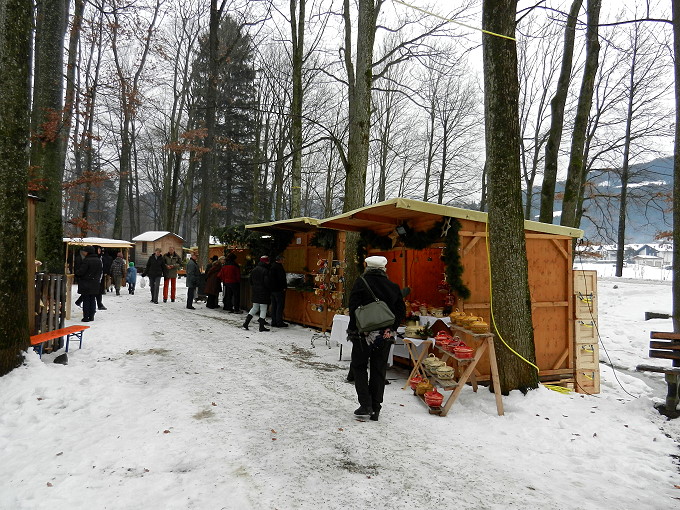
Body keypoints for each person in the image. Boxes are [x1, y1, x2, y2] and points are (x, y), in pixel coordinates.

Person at [347, 255, 405, 422]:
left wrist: (354, 330)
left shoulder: (360, 283)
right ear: (384, 269)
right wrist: (390, 329)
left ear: (367, 267)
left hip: (363, 335)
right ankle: (376, 407)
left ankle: (365, 405)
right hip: (384, 335)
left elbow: (353, 309)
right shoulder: (393, 286)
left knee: (359, 367)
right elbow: (400, 311)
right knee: (379, 369)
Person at [75, 246, 103, 322]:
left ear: (87, 252)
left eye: (84, 251)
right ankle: (91, 316)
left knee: (86, 300)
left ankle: (86, 317)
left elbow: (81, 271)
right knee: (92, 300)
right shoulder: (98, 260)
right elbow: (100, 272)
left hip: (86, 283)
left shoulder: (86, 260)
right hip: (95, 283)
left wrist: (77, 273)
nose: (83, 253)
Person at [243, 255, 271, 331]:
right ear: (266, 262)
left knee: (254, 307)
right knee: (263, 308)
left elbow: (250, 281)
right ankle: (261, 326)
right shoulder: (265, 270)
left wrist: (255, 287)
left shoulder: (254, 269)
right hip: (264, 291)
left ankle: (246, 323)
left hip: (255, 291)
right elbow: (267, 282)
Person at [269, 254, 288, 327]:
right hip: (279, 290)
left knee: (274, 306)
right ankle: (279, 322)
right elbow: (281, 279)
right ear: (280, 260)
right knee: (280, 306)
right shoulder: (279, 267)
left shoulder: (272, 266)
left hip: (273, 290)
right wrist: (283, 287)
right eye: (283, 260)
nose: (284, 261)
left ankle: (274, 321)